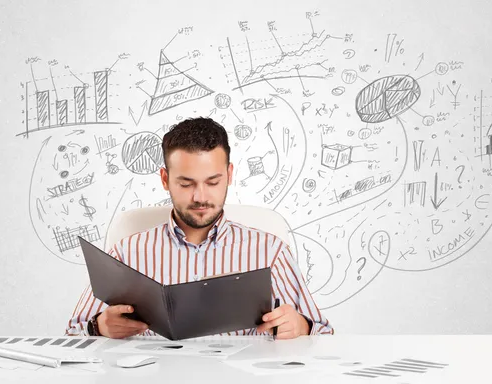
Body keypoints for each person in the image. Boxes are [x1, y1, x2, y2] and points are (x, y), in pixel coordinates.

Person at [65, 117, 333, 339]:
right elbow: (72, 333)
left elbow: (324, 333)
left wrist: (302, 326)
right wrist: (97, 326)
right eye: (186, 183)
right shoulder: (126, 252)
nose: (200, 197)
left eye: (213, 182)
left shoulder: (271, 251)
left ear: (229, 175)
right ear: (165, 179)